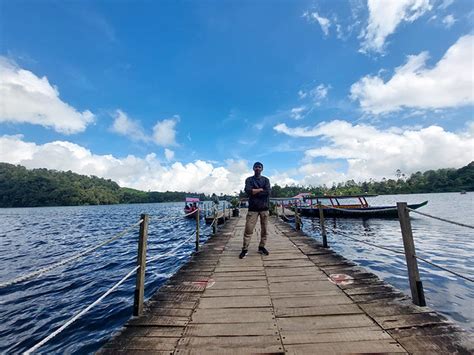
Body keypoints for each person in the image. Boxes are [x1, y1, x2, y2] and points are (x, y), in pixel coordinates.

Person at [239, 161, 271, 259]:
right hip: (252, 209)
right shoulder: (249, 180)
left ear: (262, 169)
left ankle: (261, 247)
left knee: (264, 230)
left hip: (264, 208)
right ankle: (245, 249)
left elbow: (268, 192)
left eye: (259, 167)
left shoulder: (266, 180)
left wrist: (255, 191)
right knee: (248, 229)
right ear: (253, 168)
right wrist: (260, 190)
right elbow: (248, 191)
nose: (257, 168)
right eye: (256, 167)